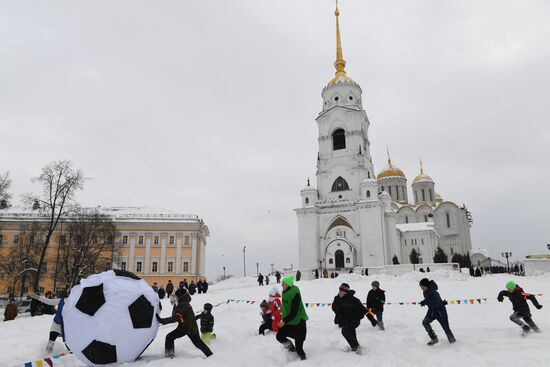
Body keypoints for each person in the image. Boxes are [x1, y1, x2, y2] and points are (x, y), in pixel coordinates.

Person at [157, 289, 213, 358]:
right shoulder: (184, 302)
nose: (175, 297)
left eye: (176, 296)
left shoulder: (183, 304)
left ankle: (169, 356)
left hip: (185, 327)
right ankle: (210, 355)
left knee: (169, 337)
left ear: (180, 296)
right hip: (191, 326)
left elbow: (176, 317)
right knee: (198, 342)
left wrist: (162, 320)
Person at [277, 276, 308, 360]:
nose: (281, 284)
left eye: (283, 283)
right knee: (279, 336)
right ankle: (290, 347)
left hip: (299, 323)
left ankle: (305, 363)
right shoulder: (284, 291)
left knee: (300, 351)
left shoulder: (295, 293)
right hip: (288, 322)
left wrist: (283, 321)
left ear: (288, 284)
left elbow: (294, 311)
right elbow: (286, 304)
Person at [331, 283, 367, 353]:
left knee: (345, 331)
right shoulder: (337, 298)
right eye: (340, 290)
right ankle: (356, 345)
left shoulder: (354, 300)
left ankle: (355, 347)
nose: (340, 292)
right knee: (351, 332)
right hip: (344, 321)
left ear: (346, 292)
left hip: (354, 320)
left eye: (343, 290)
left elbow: (363, 310)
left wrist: (356, 317)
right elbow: (334, 308)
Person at [419, 278, 456, 346]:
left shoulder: (433, 292)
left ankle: (453, 342)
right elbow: (431, 301)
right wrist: (425, 302)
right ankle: (434, 338)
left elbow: (437, 303)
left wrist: (426, 302)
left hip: (440, 312)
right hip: (432, 311)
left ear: (426, 285)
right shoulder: (426, 292)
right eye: (420, 287)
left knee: (446, 328)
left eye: (422, 286)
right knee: (425, 322)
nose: (421, 288)